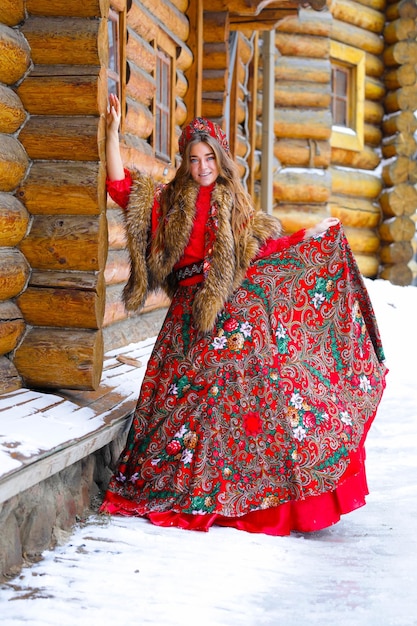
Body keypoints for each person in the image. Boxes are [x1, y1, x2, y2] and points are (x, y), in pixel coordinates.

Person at [100, 93, 387, 535]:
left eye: (208, 158)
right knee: (177, 408)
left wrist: (307, 236)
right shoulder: (170, 201)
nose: (202, 167)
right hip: (187, 317)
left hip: (231, 309)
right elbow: (120, 188)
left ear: (219, 159)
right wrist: (114, 133)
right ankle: (186, 486)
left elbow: (262, 250)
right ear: (185, 162)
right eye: (193, 159)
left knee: (245, 393)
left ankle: (253, 495)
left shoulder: (234, 203)